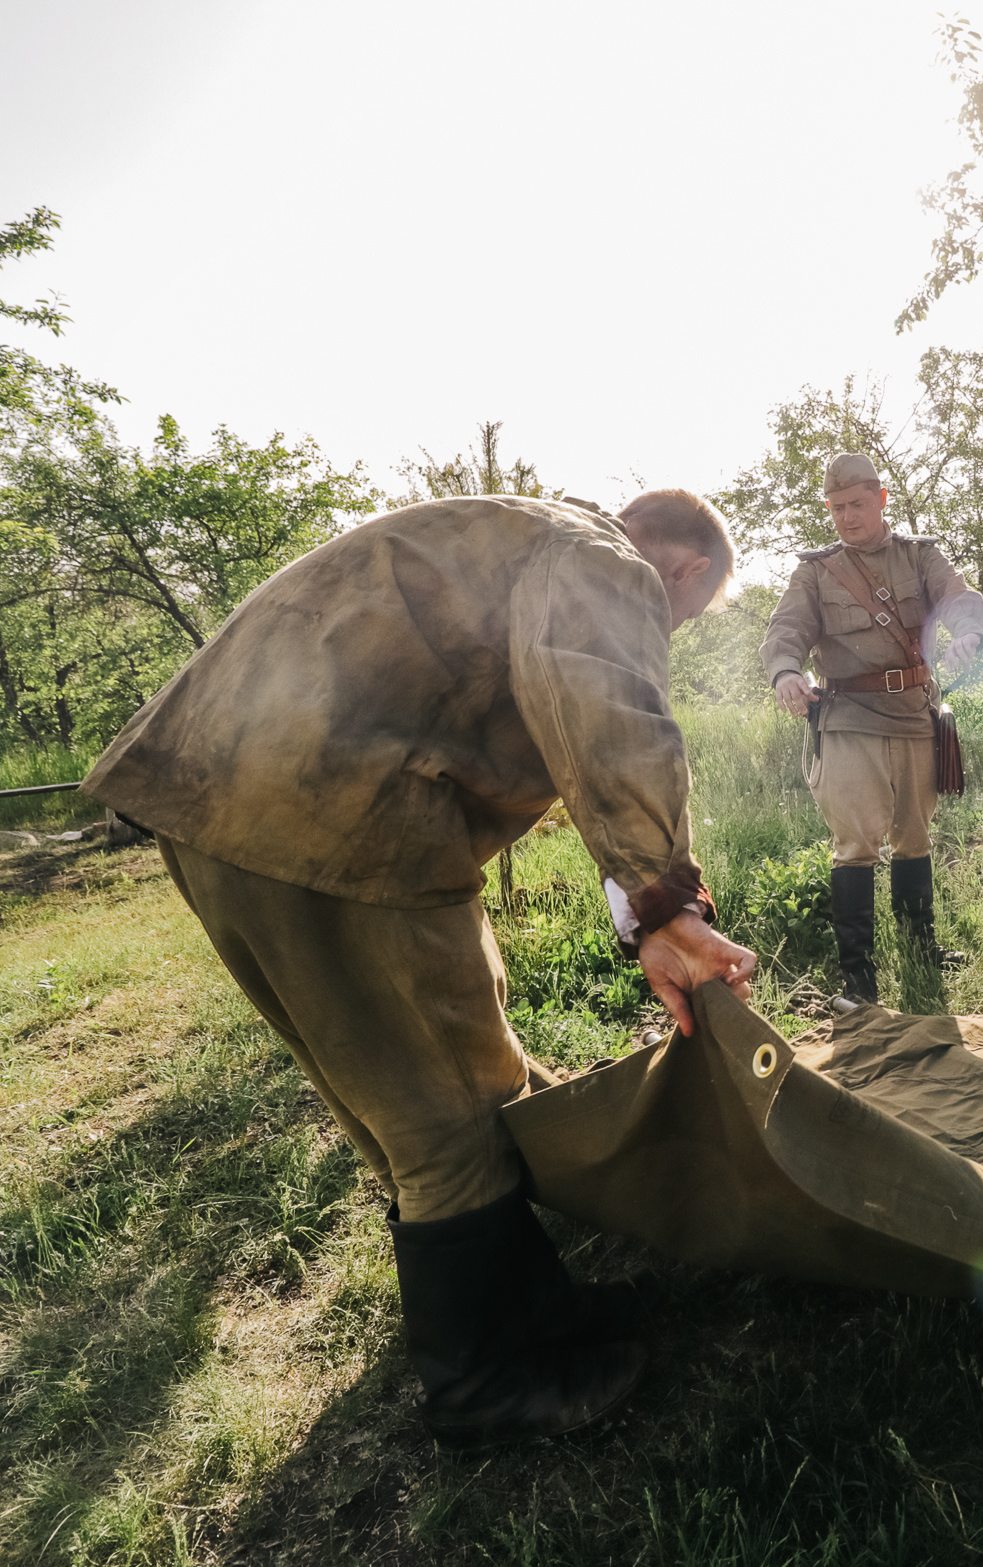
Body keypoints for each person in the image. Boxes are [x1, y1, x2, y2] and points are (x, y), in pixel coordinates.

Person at [80, 490, 760, 1449]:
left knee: (396, 1095)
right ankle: (484, 1389)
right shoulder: (606, 561)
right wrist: (666, 902)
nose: (667, 626)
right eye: (681, 618)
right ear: (686, 571)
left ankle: (531, 1312)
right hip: (341, 815)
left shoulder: (505, 530)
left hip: (215, 799)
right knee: (452, 1112)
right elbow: (606, 706)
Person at [761, 452, 983, 1003]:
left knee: (914, 835)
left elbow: (958, 598)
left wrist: (968, 634)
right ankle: (858, 977)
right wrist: (786, 672)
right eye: (836, 508)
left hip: (913, 717)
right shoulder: (816, 570)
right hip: (848, 722)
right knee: (855, 844)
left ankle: (920, 946)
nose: (846, 517)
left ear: (881, 499)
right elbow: (785, 630)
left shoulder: (919, 556)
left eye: (857, 505)